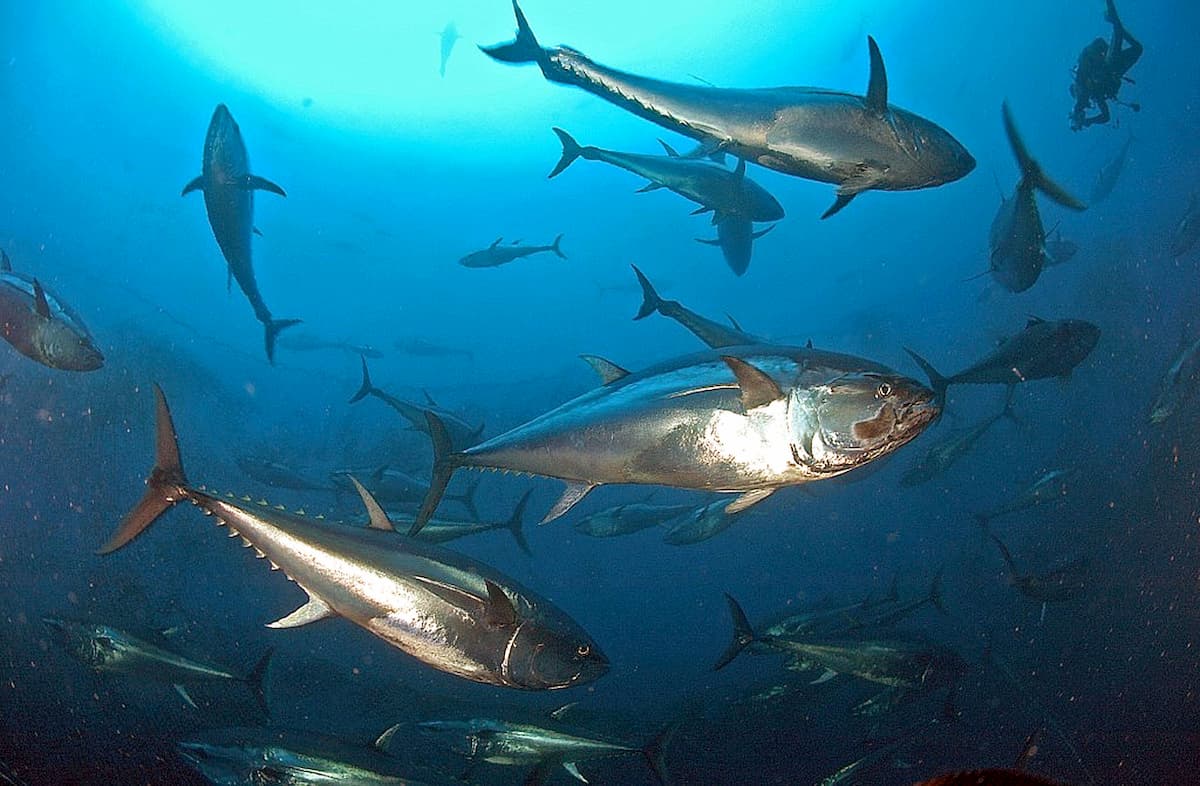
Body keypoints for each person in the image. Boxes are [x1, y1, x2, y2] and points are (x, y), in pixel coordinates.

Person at [1069, 0, 1142, 131]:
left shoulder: (1082, 81)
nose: (1086, 105)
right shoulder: (1095, 94)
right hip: (1115, 69)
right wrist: (1089, 120)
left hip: (1109, 64)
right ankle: (1113, 21)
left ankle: (1112, 15)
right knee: (1138, 48)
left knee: (1118, 31)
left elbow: (1079, 106)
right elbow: (1106, 116)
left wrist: (1079, 117)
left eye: (1076, 91)